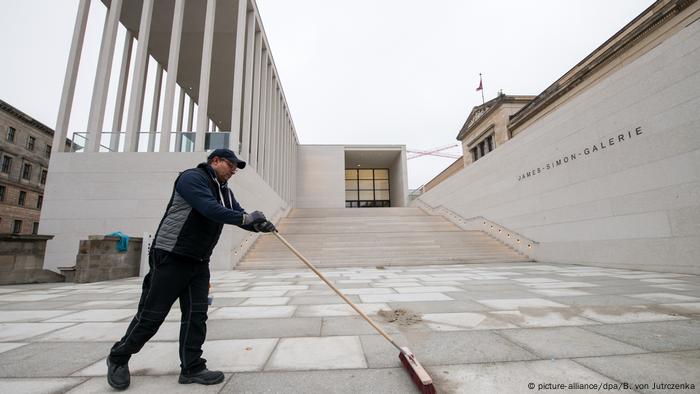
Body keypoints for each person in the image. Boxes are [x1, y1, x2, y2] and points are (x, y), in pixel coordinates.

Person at [106, 148, 276, 390]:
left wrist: (258, 225)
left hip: (198, 261)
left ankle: (192, 367)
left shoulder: (225, 191)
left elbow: (238, 215)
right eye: (231, 165)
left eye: (236, 168)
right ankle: (118, 358)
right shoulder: (192, 178)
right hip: (171, 256)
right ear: (215, 161)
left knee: (197, 314)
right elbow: (209, 209)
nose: (233, 171)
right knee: (152, 316)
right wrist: (247, 219)